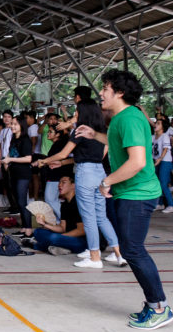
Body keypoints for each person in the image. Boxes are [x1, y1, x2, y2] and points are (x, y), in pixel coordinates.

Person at [76, 70, 171, 329]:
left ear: (119, 92)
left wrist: (106, 181)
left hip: (137, 195)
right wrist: (94, 135)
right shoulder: (121, 119)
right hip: (129, 193)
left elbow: (137, 162)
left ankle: (159, 307)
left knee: (133, 250)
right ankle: (154, 304)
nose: (101, 93)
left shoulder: (129, 118)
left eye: (105, 88)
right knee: (131, 249)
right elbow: (117, 141)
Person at [40, 99, 124, 268]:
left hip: (85, 173)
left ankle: (94, 257)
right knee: (101, 217)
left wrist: (44, 161)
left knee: (89, 218)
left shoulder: (80, 130)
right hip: (100, 172)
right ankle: (119, 255)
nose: (75, 114)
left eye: (77, 111)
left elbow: (63, 153)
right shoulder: (102, 131)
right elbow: (103, 154)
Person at [28, 175, 87, 255]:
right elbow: (62, 228)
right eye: (59, 182)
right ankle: (59, 247)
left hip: (81, 241)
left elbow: (81, 231)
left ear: (73, 185)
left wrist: (62, 236)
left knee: (54, 237)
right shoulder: (65, 204)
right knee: (38, 231)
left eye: (63, 182)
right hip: (66, 237)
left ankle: (37, 245)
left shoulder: (78, 203)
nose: (59, 185)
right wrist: (45, 224)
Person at [1, 117, 33, 236]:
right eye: (12, 124)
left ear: (21, 126)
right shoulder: (14, 138)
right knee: (19, 202)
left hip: (23, 174)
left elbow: (28, 158)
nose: (12, 126)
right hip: (14, 172)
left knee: (22, 201)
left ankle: (28, 229)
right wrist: (6, 161)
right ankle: (24, 228)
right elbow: (11, 153)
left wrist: (10, 159)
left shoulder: (25, 139)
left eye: (15, 124)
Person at [151, 118, 173, 213]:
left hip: (165, 161)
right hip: (157, 161)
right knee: (158, 183)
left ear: (163, 127)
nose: (156, 124)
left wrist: (160, 159)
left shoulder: (165, 136)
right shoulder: (153, 137)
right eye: (156, 123)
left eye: (158, 123)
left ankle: (171, 205)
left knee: (163, 184)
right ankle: (160, 204)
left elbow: (165, 148)